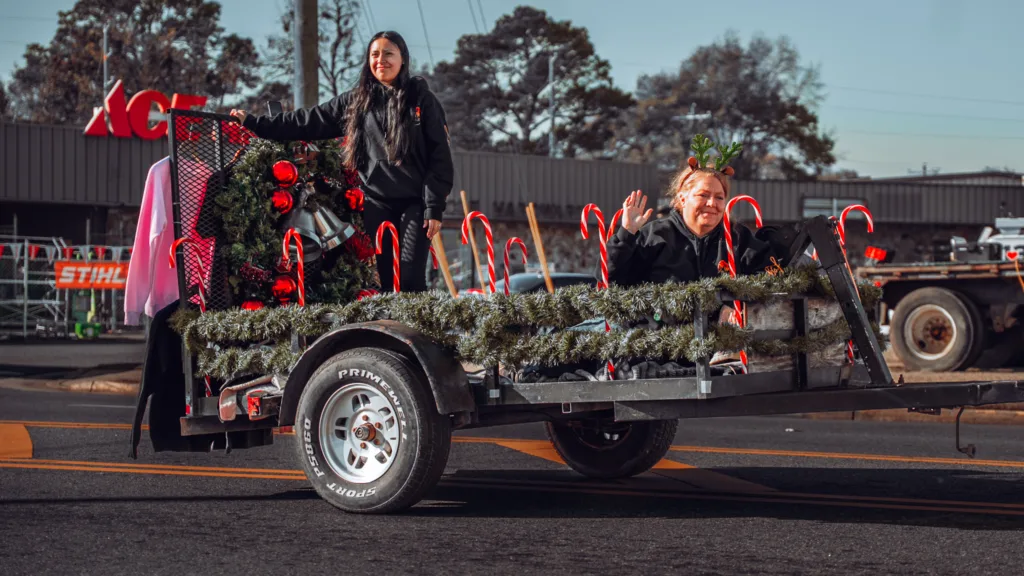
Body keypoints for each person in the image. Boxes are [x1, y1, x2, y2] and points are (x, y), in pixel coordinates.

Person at [229, 31, 454, 293]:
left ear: (403, 59)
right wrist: (256, 123)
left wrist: (434, 206)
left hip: (416, 203)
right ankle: (389, 332)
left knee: (410, 279)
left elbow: (440, 156)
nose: (381, 60)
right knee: (388, 280)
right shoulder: (357, 100)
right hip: (378, 203)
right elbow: (309, 121)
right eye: (375, 54)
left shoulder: (421, 101)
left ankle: (415, 333)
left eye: (389, 53)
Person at [607, 148, 776, 287]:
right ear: (682, 198)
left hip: (724, 328)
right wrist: (626, 234)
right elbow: (610, 282)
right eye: (703, 195)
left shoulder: (739, 238)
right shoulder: (654, 236)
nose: (711, 203)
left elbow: (771, 278)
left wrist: (735, 302)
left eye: (719, 197)